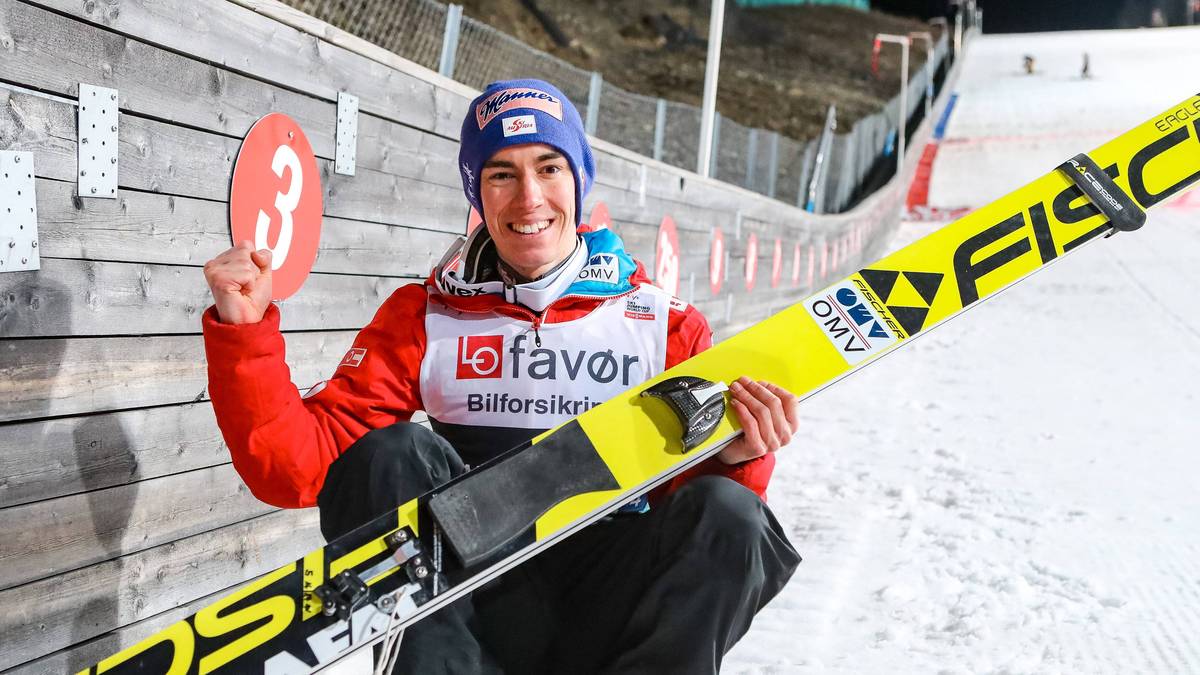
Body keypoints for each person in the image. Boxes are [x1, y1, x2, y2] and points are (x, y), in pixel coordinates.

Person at [202, 78, 801, 674]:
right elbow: (300, 469)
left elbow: (702, 540)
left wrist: (737, 454)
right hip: (472, 593)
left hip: (609, 593)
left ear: (578, 181)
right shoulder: (428, 313)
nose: (529, 198)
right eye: (502, 175)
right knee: (392, 453)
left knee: (732, 514)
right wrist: (246, 332)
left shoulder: (661, 323)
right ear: (477, 193)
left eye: (548, 168)